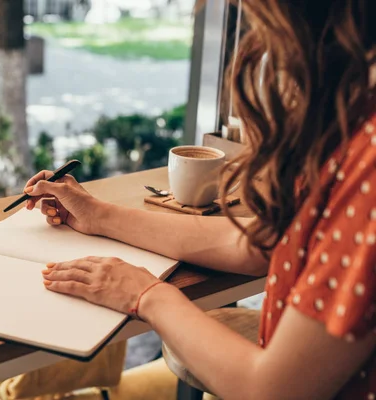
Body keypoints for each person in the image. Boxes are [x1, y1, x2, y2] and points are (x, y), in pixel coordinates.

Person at [22, 0, 376, 398]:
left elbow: (273, 390)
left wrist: (146, 295)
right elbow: (258, 244)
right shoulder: (351, 114)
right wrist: (98, 216)